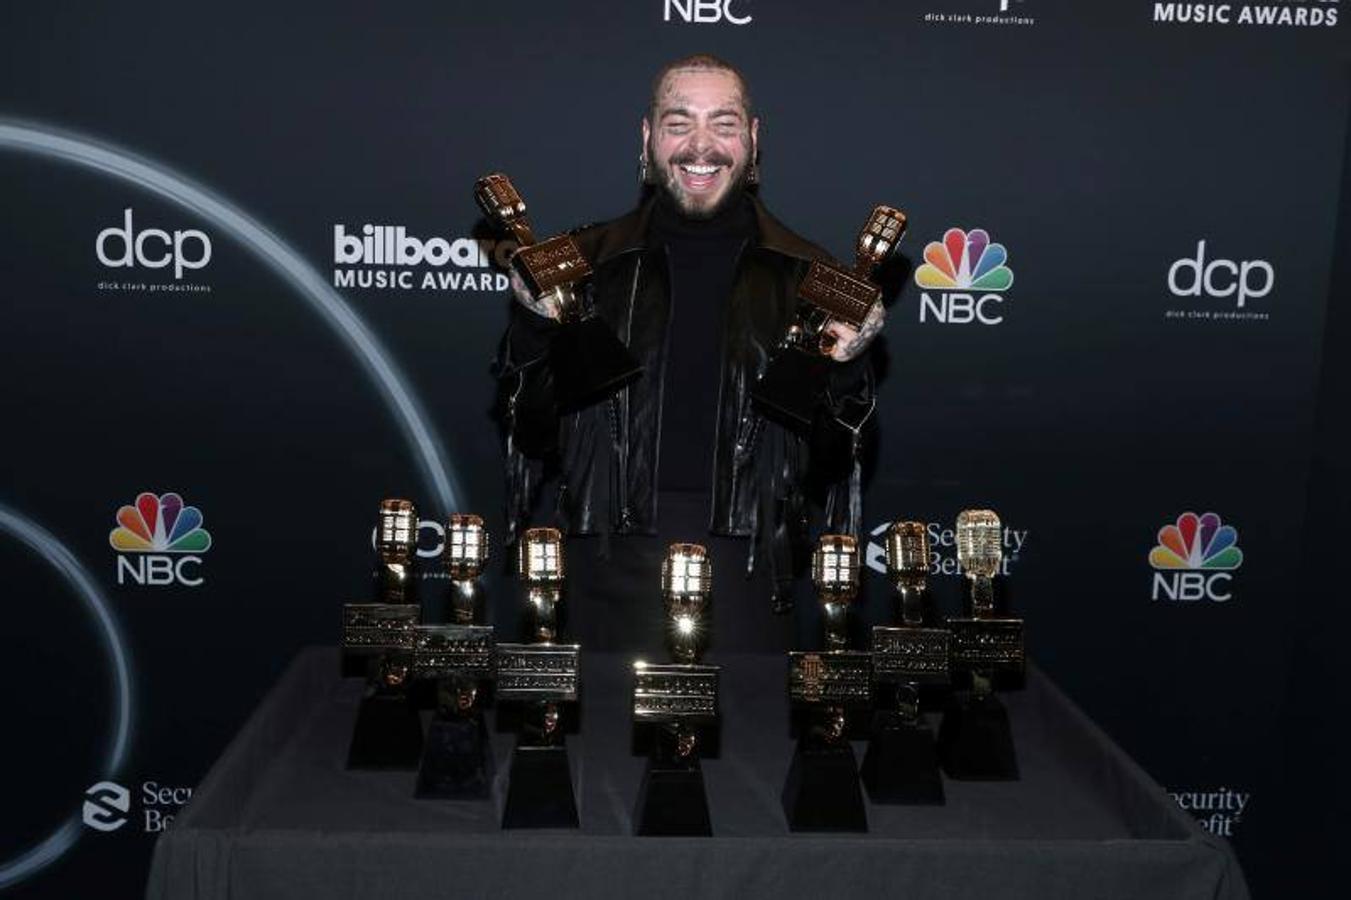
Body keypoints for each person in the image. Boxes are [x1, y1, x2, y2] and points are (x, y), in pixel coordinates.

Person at [494, 54, 884, 652]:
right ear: (648, 139)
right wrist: (531, 330)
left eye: (723, 124)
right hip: (603, 571)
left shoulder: (813, 279)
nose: (701, 146)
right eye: (679, 123)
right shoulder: (580, 263)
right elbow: (532, 434)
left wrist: (849, 366)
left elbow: (830, 462)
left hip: (750, 578)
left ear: (753, 141)